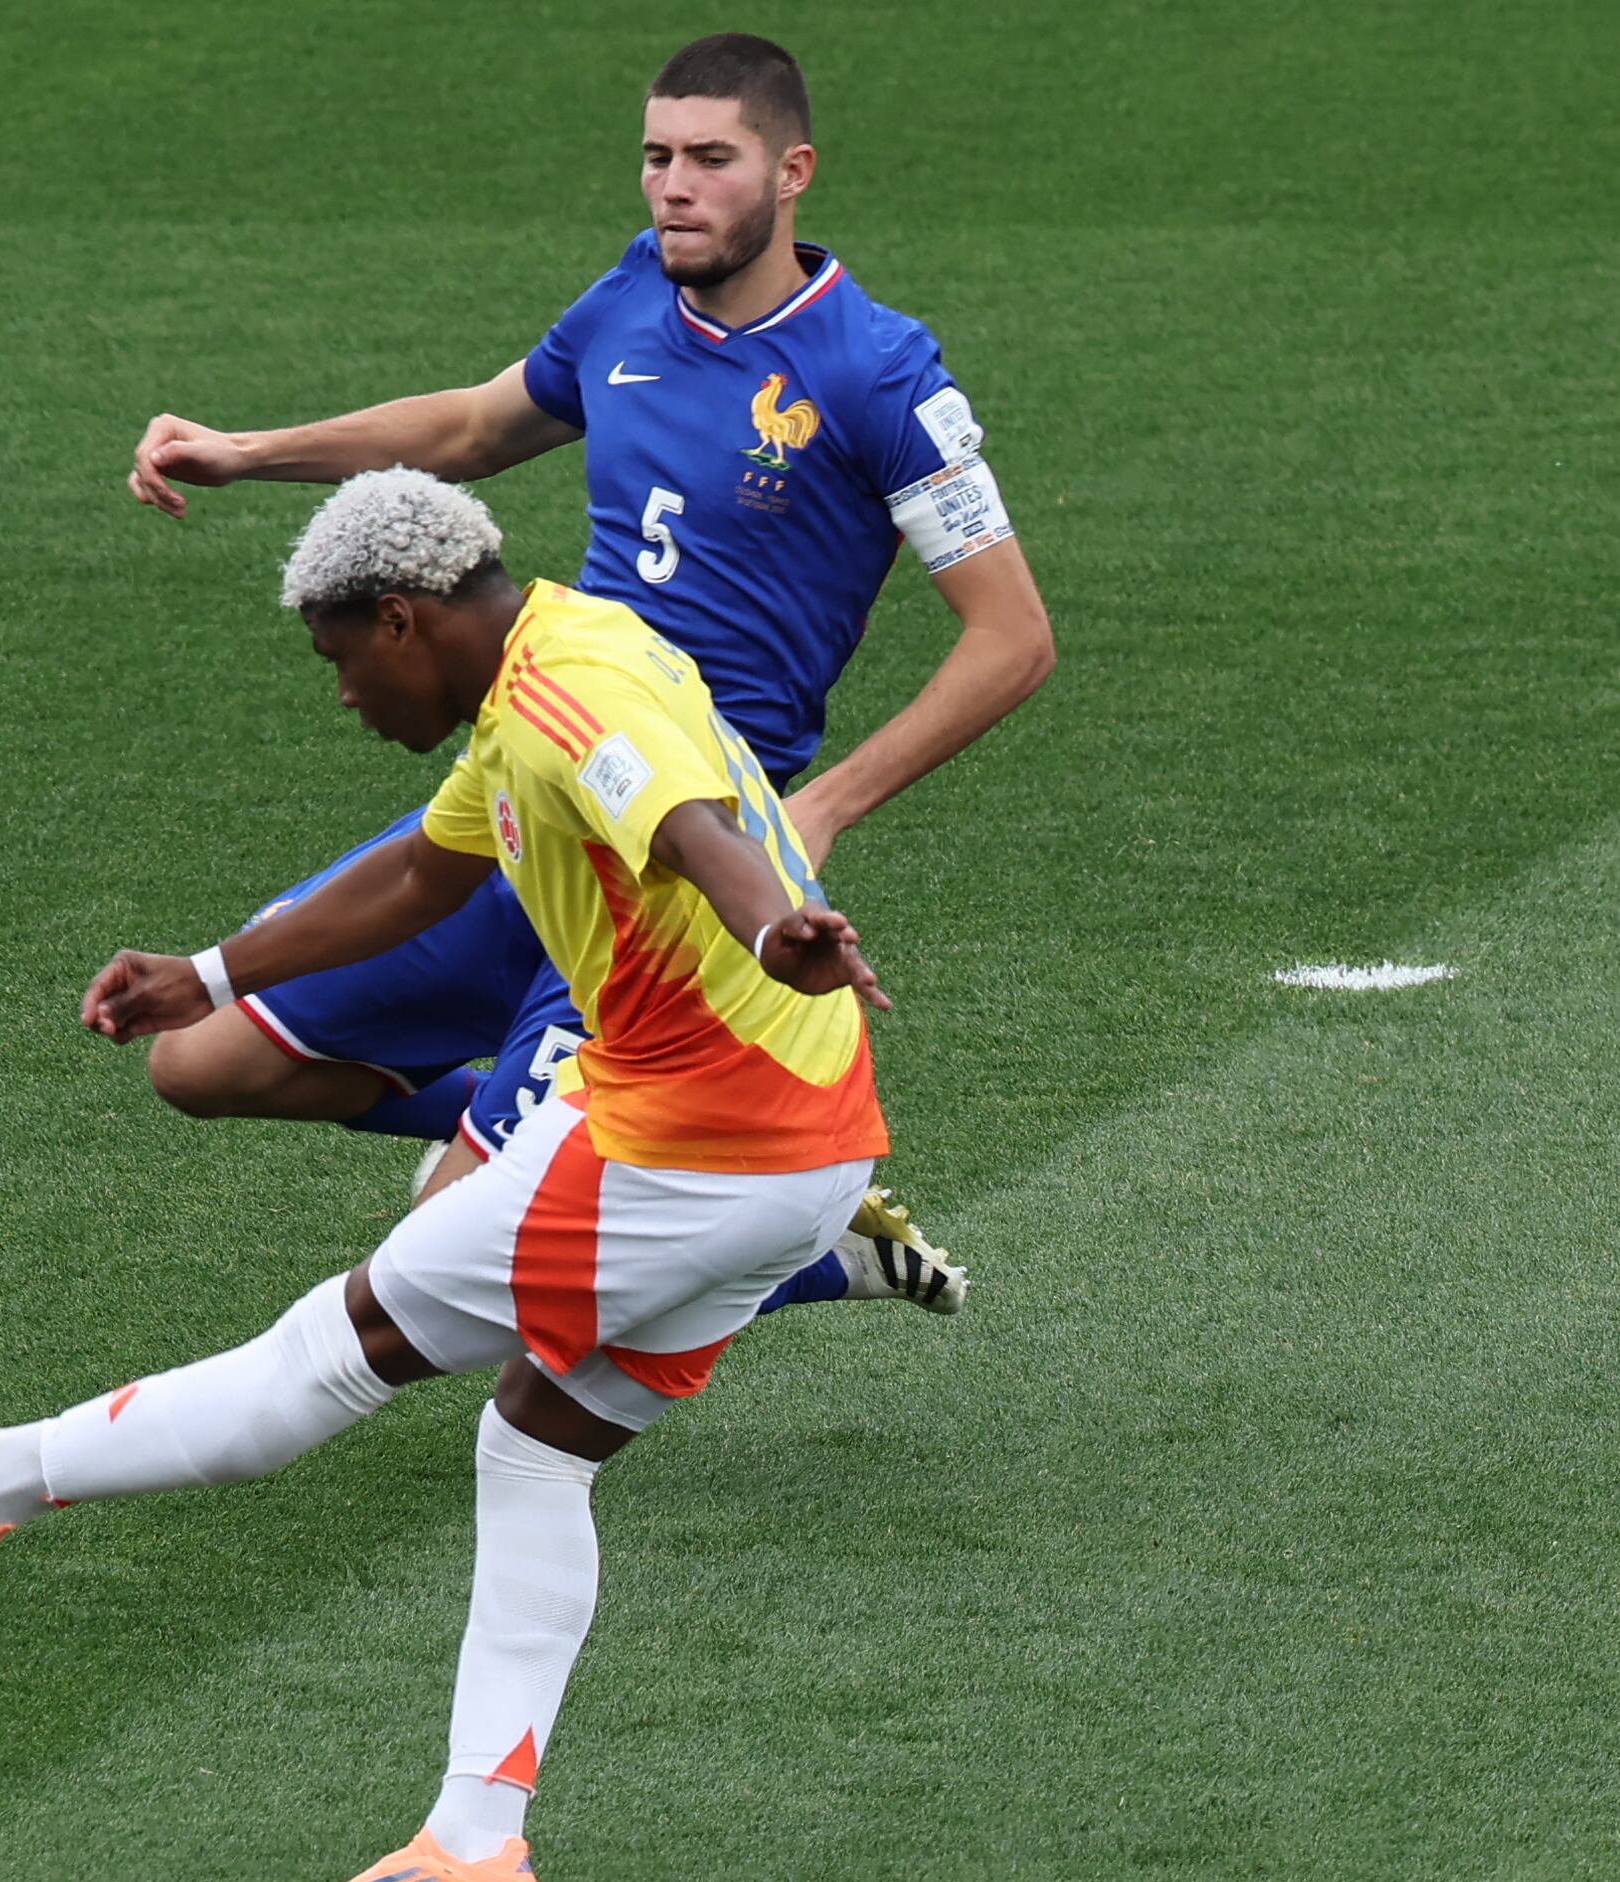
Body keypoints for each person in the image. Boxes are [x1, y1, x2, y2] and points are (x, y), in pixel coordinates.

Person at [0, 472, 895, 1882]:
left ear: (403, 619)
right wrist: (209, 975)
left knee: (333, 1348)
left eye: (339, 660)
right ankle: (474, 1847)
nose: (340, 696)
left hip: (690, 1141)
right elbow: (418, 878)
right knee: (535, 1449)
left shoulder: (571, 697)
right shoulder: (550, 662)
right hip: (806, 1148)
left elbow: (693, 818)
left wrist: (775, 922)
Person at [122, 32, 1055, 1313]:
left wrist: (822, 808)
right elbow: (468, 427)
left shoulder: (876, 369)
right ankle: (607, 1150)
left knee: (439, 1263)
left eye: (711, 160)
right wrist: (248, 450)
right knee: (199, 1061)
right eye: (656, 157)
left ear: (792, 173)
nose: (673, 186)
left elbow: (1012, 637)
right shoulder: (630, 298)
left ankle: (773, 1236)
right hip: (532, 774)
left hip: (675, 843)